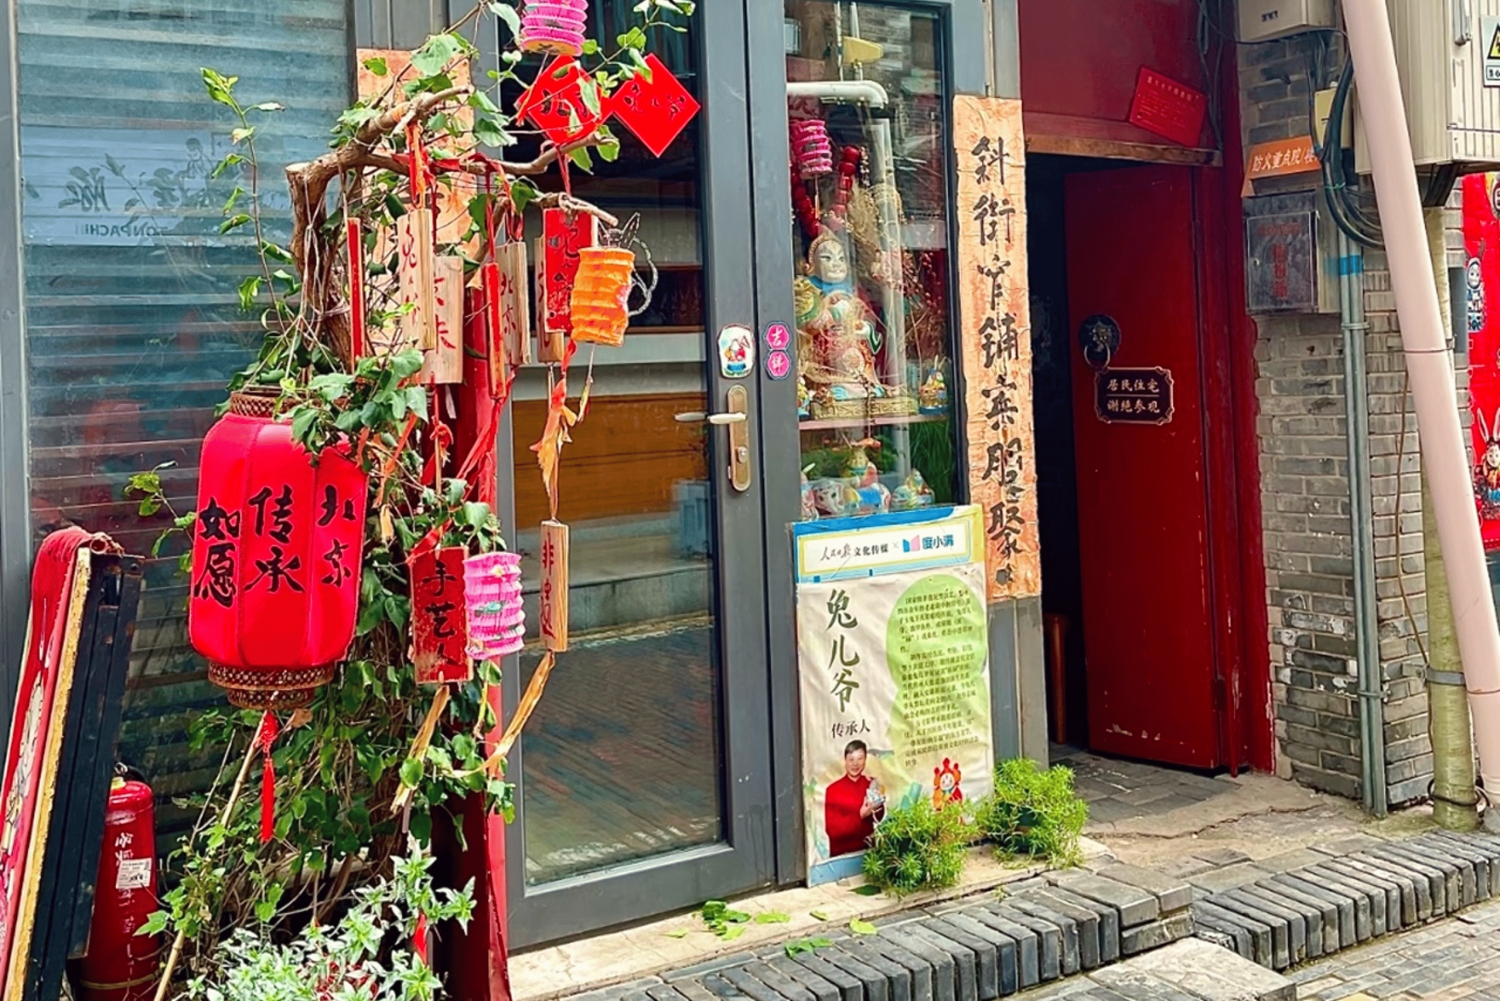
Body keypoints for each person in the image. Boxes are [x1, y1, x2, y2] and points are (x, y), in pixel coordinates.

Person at [823, 740, 884, 857]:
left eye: (860, 759)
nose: (855, 764)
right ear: (845, 761)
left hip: (868, 854)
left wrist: (878, 805)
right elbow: (832, 830)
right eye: (851, 759)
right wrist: (860, 816)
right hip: (842, 856)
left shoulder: (870, 783)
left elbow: (878, 818)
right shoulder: (833, 790)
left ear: (865, 760)